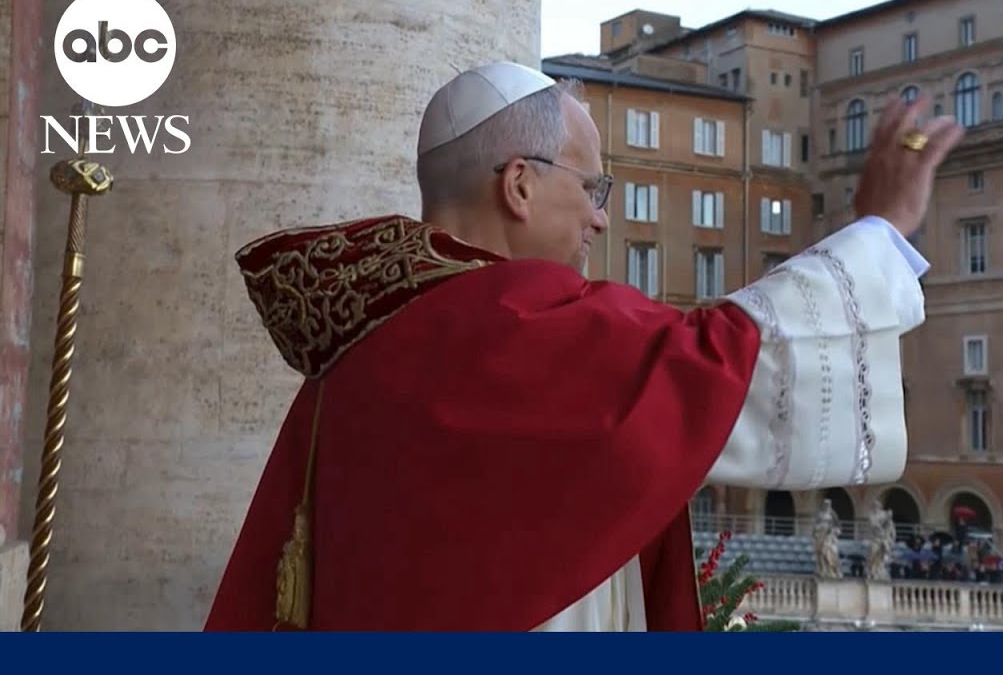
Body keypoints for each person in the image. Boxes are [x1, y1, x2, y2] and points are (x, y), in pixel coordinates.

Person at [203, 61, 964, 632]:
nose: (602, 220)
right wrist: (880, 229)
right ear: (520, 186)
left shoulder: (356, 352)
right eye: (595, 189)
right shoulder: (522, 324)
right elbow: (721, 366)